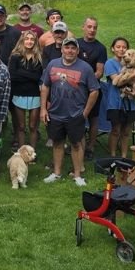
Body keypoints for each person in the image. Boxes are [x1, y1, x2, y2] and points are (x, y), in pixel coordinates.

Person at [39, 36, 100, 186]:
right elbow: (45, 86)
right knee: (57, 143)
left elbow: (94, 91)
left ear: (77, 50)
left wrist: (85, 112)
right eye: (67, 47)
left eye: (73, 48)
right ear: (62, 49)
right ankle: (57, 173)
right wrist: (43, 109)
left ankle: (78, 175)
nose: (70, 50)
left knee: (76, 144)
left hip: (75, 114)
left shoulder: (85, 68)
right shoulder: (53, 64)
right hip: (55, 112)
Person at [103, 37, 135, 158]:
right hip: (115, 102)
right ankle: (113, 156)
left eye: (124, 47)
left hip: (130, 102)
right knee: (116, 130)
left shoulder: (132, 64)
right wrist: (133, 75)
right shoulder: (110, 63)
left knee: (126, 132)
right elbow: (117, 82)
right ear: (113, 49)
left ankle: (124, 156)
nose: (121, 49)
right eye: (118, 47)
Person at [76, 17, 108, 158]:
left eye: (94, 27)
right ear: (83, 27)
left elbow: (99, 71)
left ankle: (91, 146)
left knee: (93, 118)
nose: (92, 30)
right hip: (75, 88)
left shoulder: (101, 48)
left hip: (92, 88)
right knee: (76, 116)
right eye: (89, 27)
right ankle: (76, 144)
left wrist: (86, 81)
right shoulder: (75, 44)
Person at [8, 30, 45, 150]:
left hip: (35, 95)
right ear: (22, 41)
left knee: (33, 126)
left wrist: (22, 74)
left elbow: (38, 76)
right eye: (27, 39)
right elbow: (12, 76)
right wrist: (31, 75)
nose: (29, 41)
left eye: (32, 39)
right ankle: (22, 151)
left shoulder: (39, 57)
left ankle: (32, 152)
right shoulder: (15, 56)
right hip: (19, 93)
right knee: (21, 126)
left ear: (35, 42)